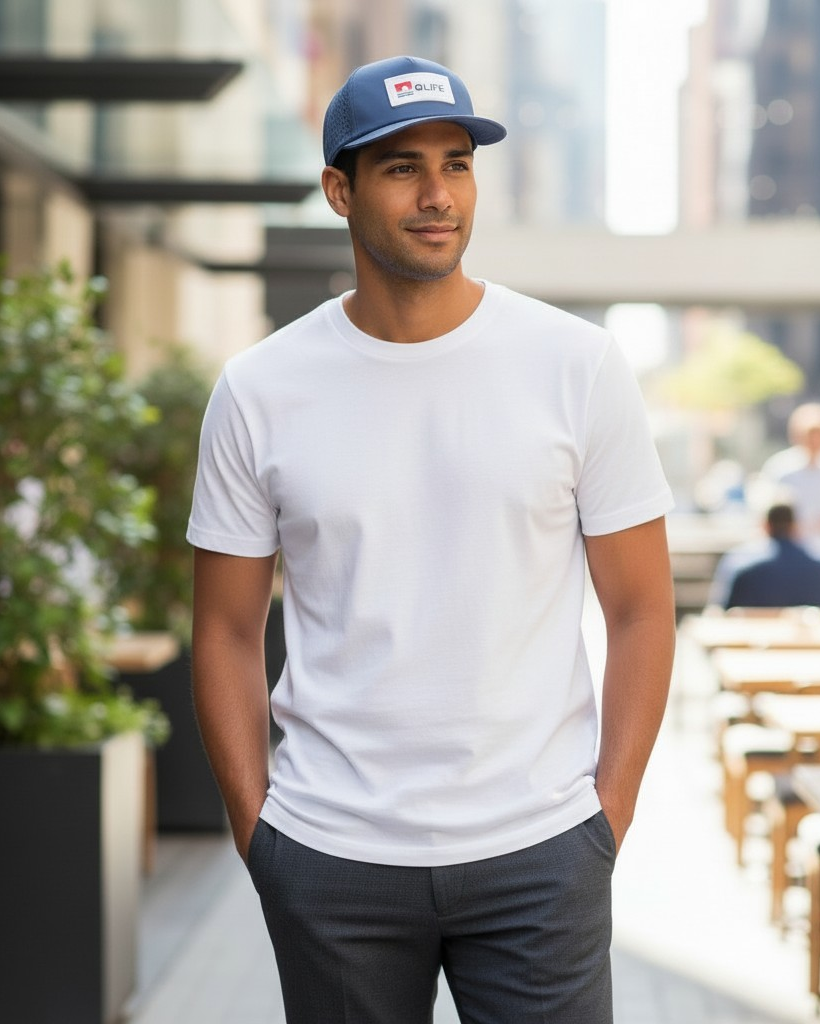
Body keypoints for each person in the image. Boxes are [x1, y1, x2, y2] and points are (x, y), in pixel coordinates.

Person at [187, 54, 675, 1024]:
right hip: (331, 856)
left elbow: (642, 609)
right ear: (340, 190)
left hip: (540, 852)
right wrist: (261, 835)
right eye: (402, 167)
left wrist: (603, 822)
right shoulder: (259, 388)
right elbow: (225, 630)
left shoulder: (575, 365)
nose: (437, 194)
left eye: (456, 163)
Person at [756, 401, 820, 567]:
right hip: (786, 553)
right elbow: (765, 511)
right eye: (809, 434)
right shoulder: (779, 468)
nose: (814, 440)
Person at [717, 503, 820, 610]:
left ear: (766, 526)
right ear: (795, 527)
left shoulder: (743, 571)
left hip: (760, 632)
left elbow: (726, 613)